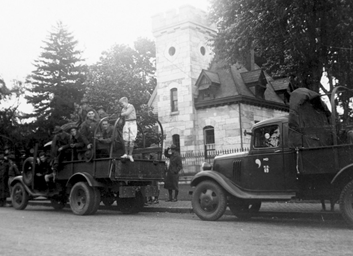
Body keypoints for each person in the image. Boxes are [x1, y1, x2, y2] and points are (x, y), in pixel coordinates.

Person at [119, 97, 137, 162]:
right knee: (126, 139)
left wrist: (121, 114)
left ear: (126, 102)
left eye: (122, 103)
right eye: (120, 104)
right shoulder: (123, 109)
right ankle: (126, 153)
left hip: (132, 122)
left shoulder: (131, 106)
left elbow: (127, 113)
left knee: (132, 139)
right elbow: (122, 118)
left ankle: (130, 154)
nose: (121, 105)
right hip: (127, 122)